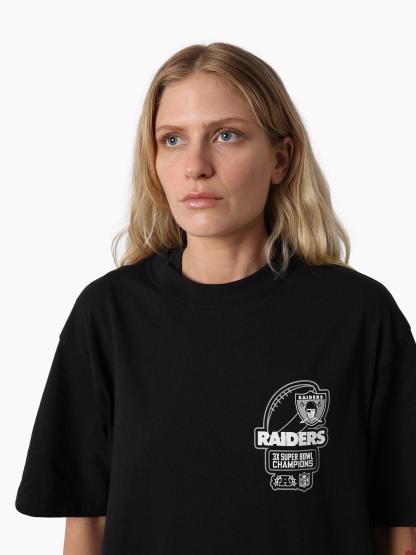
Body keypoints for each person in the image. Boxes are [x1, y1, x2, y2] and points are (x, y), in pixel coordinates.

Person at [15, 42, 416, 555]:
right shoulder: (108, 315)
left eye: (226, 135)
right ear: (154, 161)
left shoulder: (360, 316)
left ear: (280, 158)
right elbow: (88, 524)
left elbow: (398, 528)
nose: (196, 166)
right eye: (173, 139)